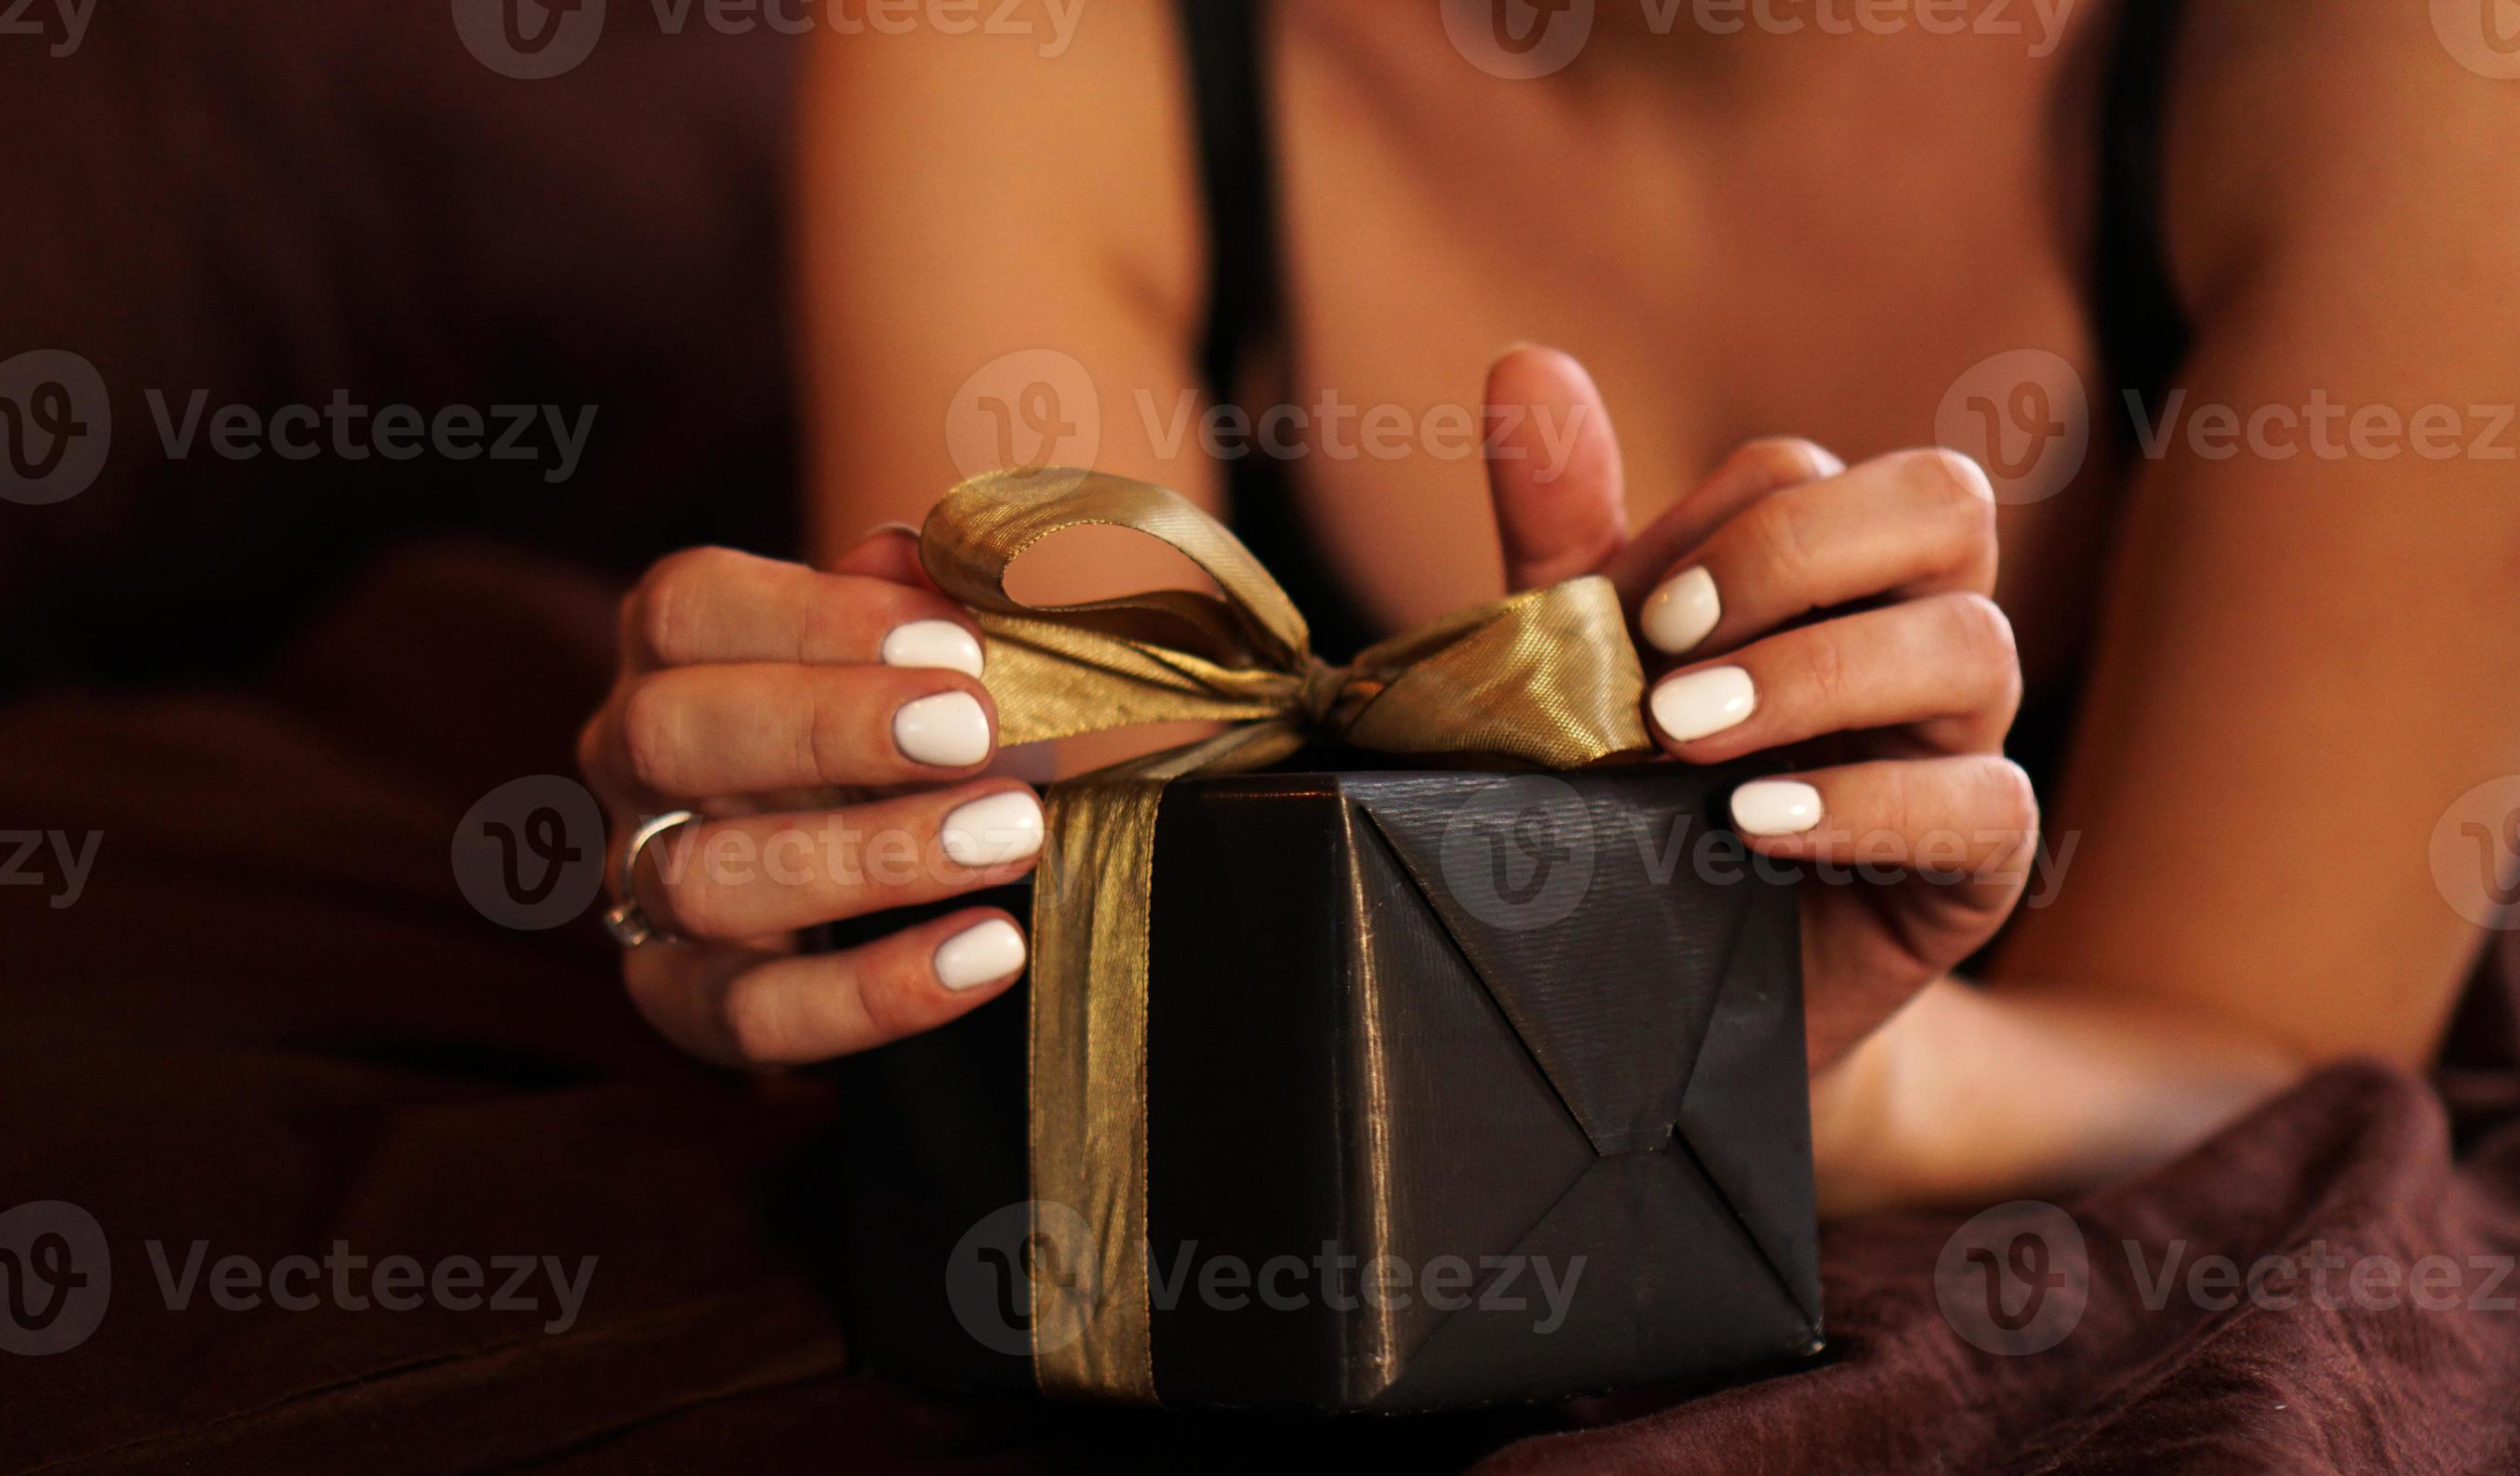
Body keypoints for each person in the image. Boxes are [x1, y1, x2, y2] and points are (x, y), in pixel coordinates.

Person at [577, 0, 2520, 1215]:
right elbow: (1104, 1004)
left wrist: (1852, 1085)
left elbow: (2261, 1064)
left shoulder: (2420, 65)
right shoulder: (1035, 35)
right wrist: (812, 885)